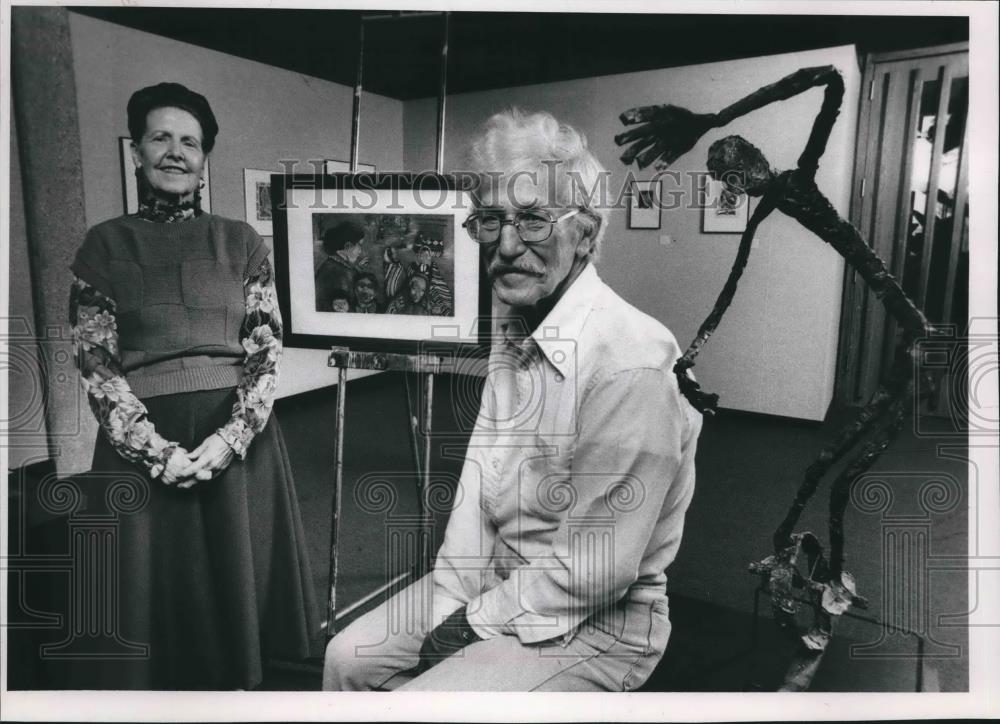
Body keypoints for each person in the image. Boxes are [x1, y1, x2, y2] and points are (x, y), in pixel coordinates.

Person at [323, 109, 703, 691]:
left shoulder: (632, 362)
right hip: (499, 581)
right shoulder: (514, 321)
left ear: (585, 233)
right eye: (492, 219)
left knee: (423, 701)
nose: (504, 244)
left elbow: (594, 569)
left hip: (598, 621)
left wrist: (465, 627)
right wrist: (451, 595)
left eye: (532, 220)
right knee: (344, 657)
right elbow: (481, 479)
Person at [68, 82, 318, 690]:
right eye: (161, 138)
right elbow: (97, 363)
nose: (175, 152)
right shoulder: (103, 245)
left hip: (233, 440)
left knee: (239, 584)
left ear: (204, 157)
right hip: (141, 447)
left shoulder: (242, 242)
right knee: (149, 600)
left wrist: (231, 439)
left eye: (190, 141)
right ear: (137, 151)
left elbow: (265, 349)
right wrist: (155, 453)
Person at [315, 220, 370, 311]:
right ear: (348, 246)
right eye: (359, 245)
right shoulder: (337, 273)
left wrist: (357, 269)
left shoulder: (333, 265)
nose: (360, 251)